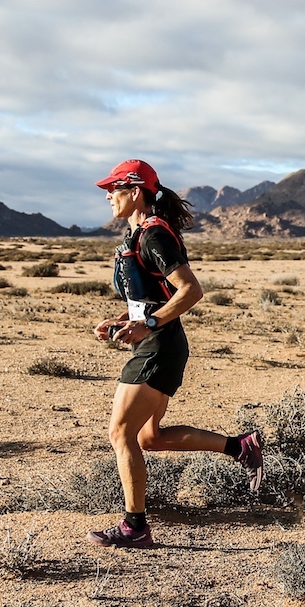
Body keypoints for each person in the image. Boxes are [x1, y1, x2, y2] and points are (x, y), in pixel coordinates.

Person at [85, 159, 262, 549]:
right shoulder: (138, 237)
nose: (108, 197)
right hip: (159, 342)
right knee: (149, 437)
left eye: (113, 189)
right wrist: (120, 322)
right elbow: (151, 299)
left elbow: (190, 291)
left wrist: (147, 326)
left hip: (159, 346)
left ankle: (135, 526)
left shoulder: (152, 237)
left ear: (135, 191)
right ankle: (239, 446)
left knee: (120, 433)